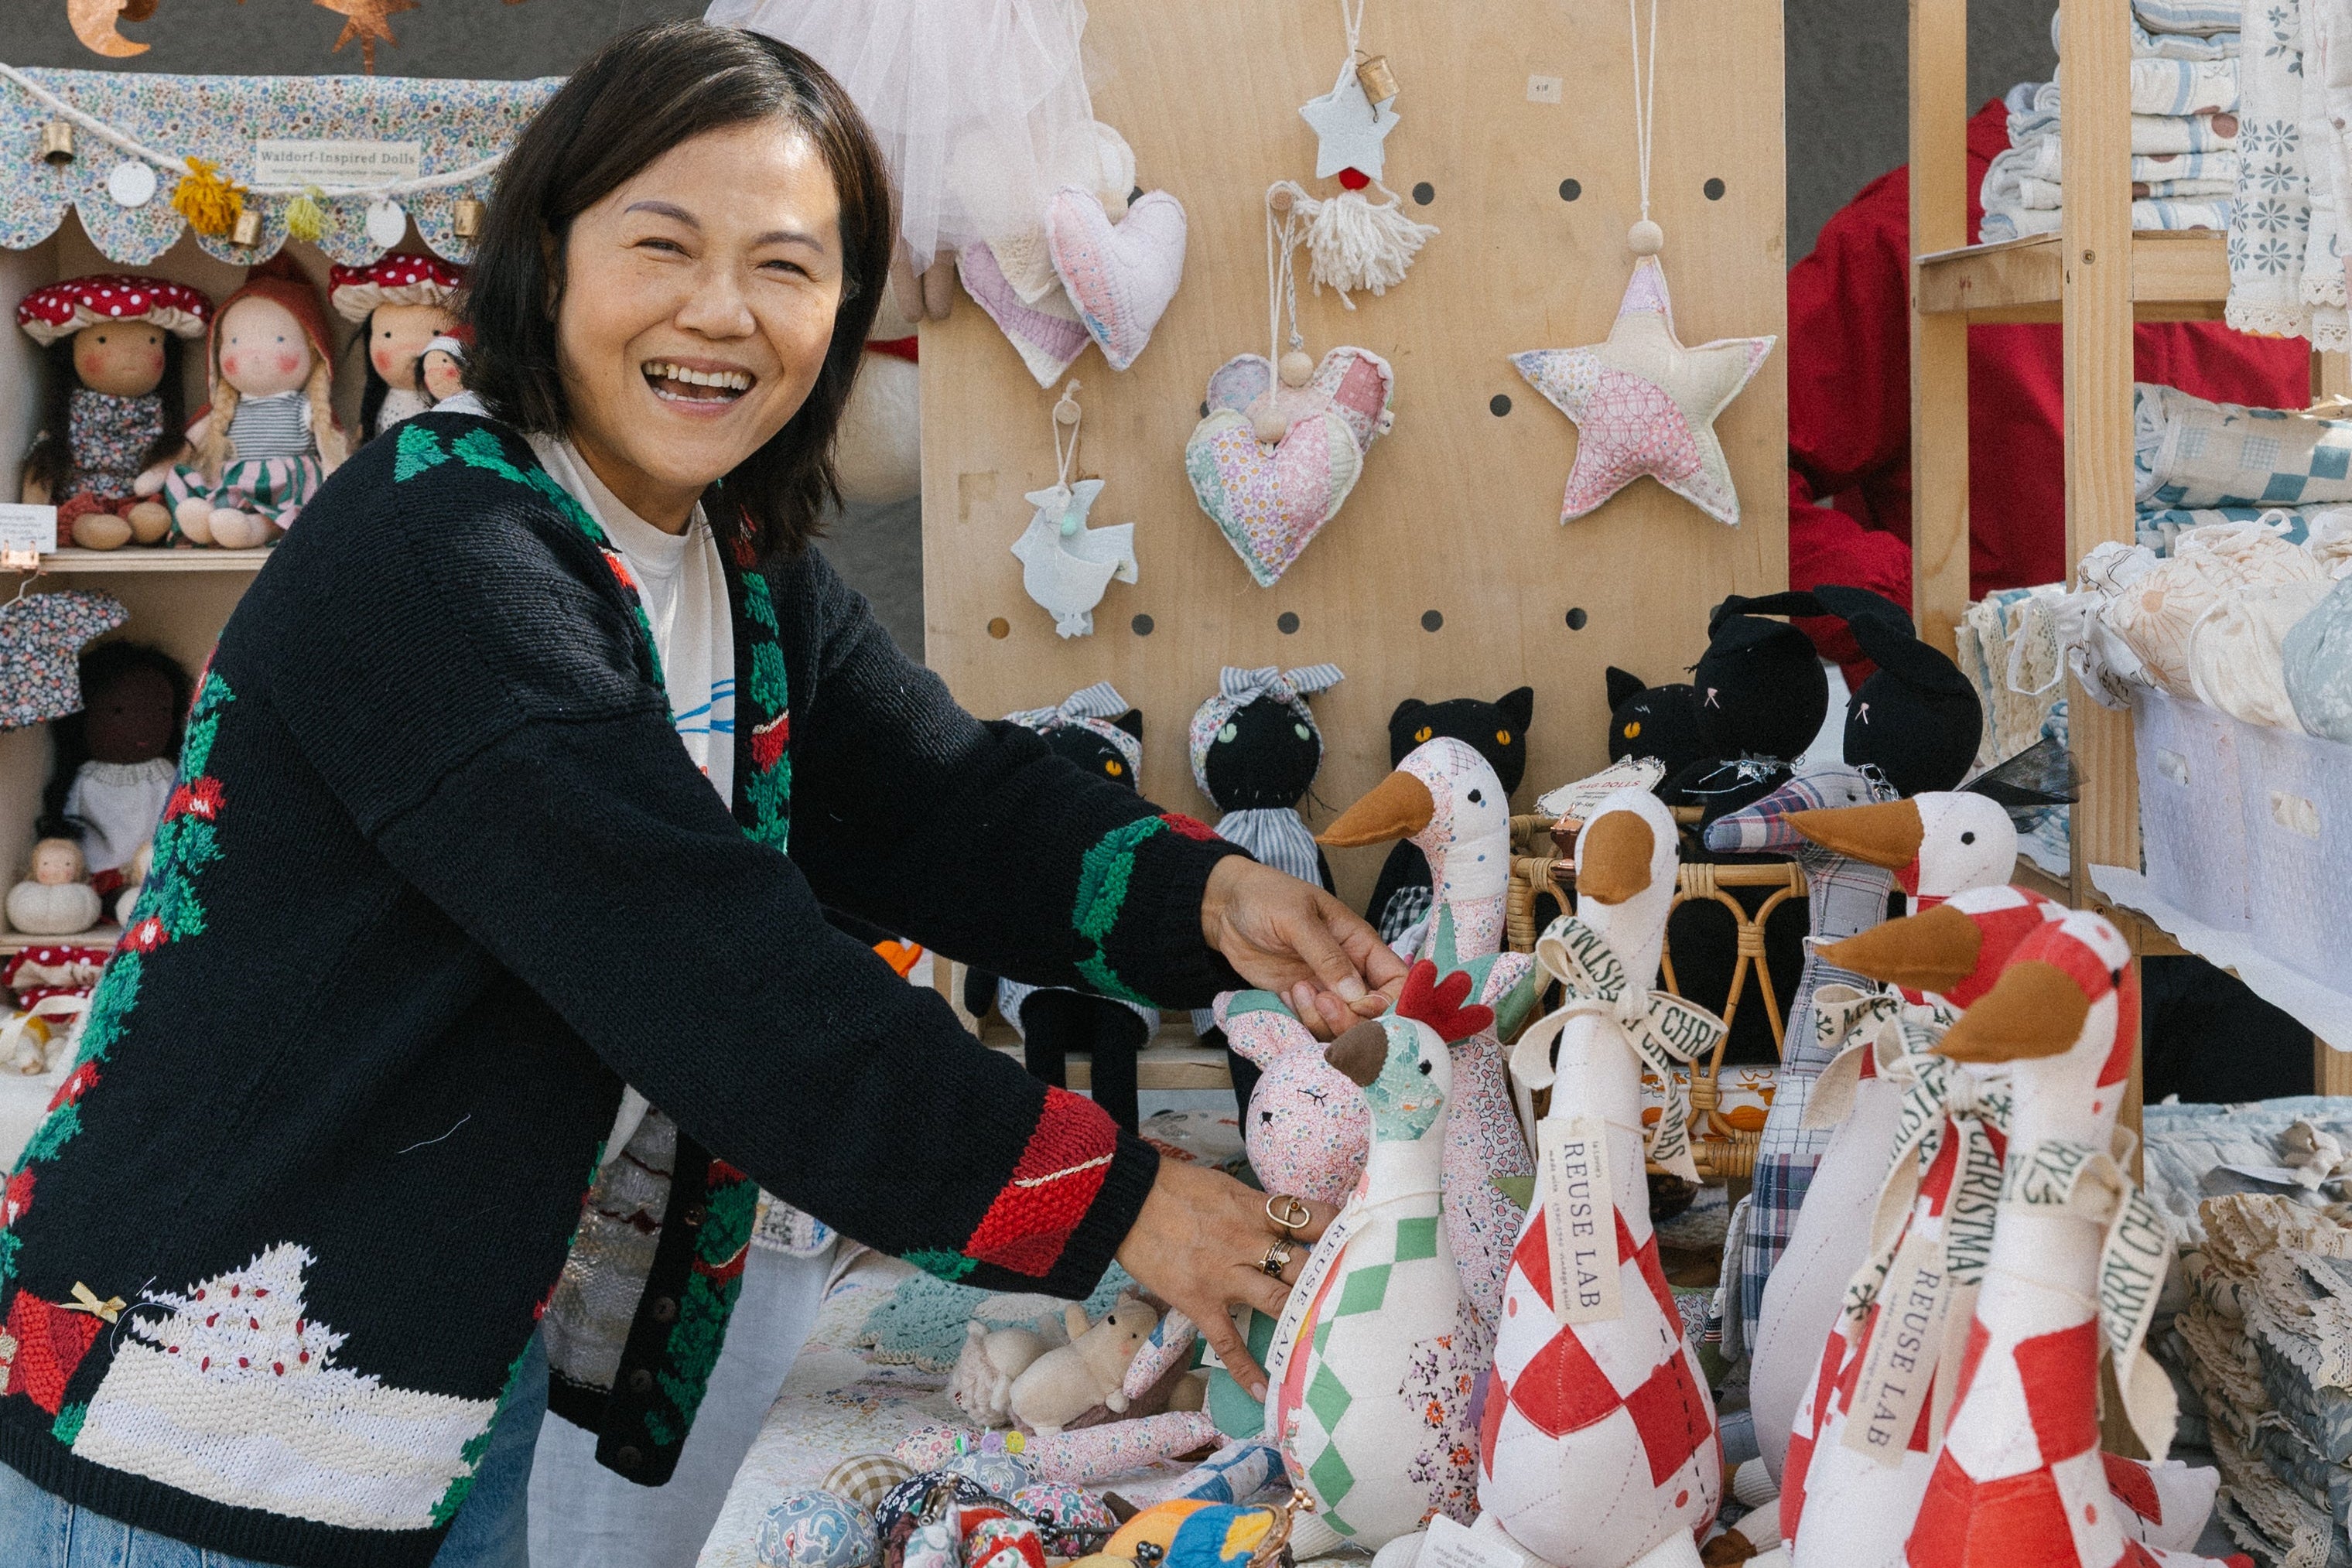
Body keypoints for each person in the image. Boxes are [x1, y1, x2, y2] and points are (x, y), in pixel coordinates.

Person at [0, 24, 1401, 1568]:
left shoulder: (729, 563)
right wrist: (1122, 1199)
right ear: (547, 254)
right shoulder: (440, 550)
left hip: (440, 1376)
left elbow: (935, 801)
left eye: (788, 267)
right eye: (662, 245)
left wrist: (1211, 898)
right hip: (184, 1421)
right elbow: (710, 969)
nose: (720, 312)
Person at [1785, 94, 2311, 678]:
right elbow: (1732, 469)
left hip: (2267, 721)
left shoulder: (2302, 211)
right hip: (1996, 735)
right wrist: (1926, 610)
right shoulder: (1931, 226)